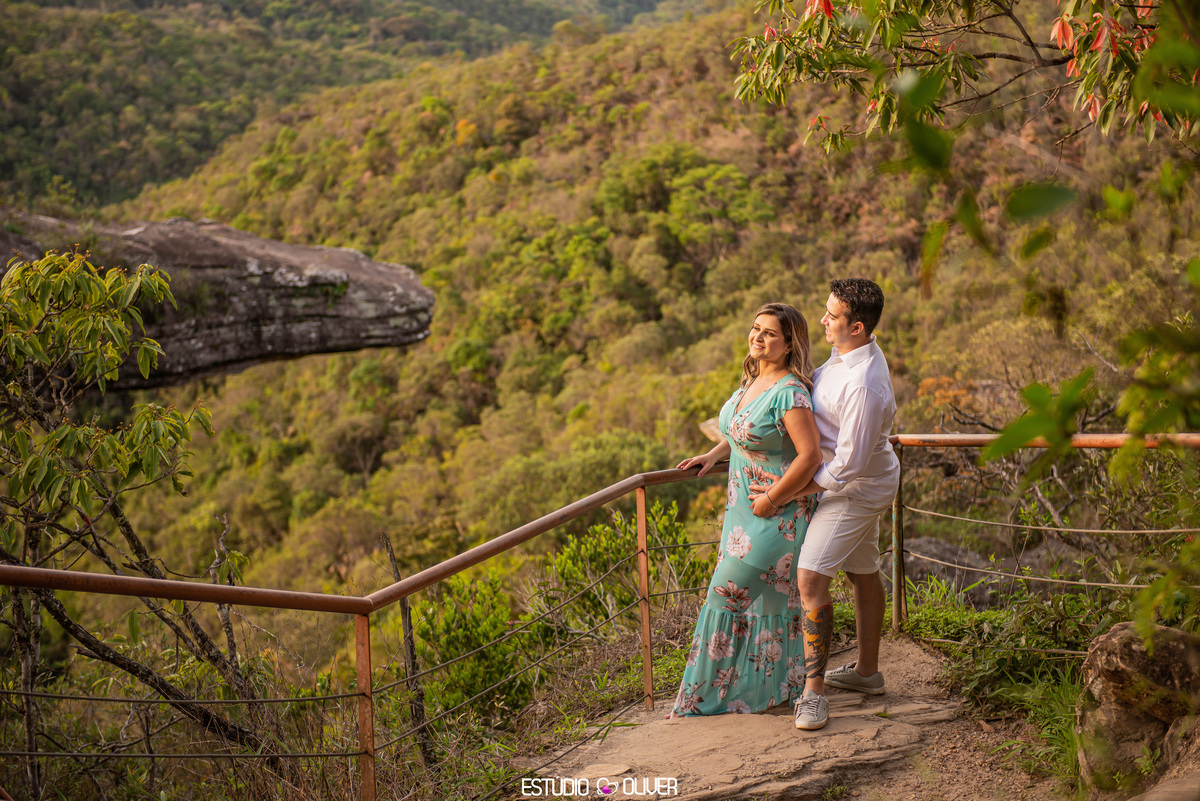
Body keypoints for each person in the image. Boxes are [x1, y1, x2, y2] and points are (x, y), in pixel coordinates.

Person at [751, 278, 899, 731]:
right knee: (862, 571)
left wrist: (783, 494)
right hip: (850, 477)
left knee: (811, 577)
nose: (822, 321)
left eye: (831, 316)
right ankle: (867, 673)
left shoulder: (865, 384)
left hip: (854, 488)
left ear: (856, 326)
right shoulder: (848, 353)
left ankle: (813, 694)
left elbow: (847, 466)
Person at [666, 302, 823, 717]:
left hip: (777, 514)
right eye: (756, 328)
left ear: (790, 343)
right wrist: (712, 455)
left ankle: (700, 701)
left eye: (770, 333)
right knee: (770, 600)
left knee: (725, 595)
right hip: (742, 512)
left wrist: (772, 499)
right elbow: (740, 431)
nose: (758, 337)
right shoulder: (752, 381)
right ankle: (769, 692)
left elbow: (810, 456)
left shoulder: (790, 392)